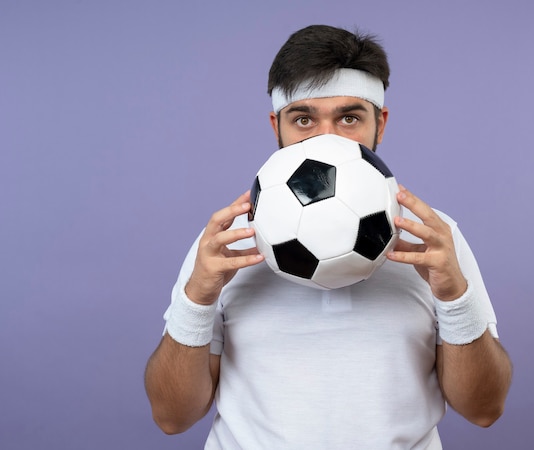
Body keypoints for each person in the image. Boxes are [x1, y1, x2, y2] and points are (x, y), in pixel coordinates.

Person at [145, 24, 512, 449]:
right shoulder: (226, 244)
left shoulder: (433, 241)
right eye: (303, 119)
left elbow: (484, 410)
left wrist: (455, 298)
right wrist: (196, 300)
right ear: (275, 126)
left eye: (349, 118)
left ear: (381, 123)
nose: (326, 140)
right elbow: (172, 418)